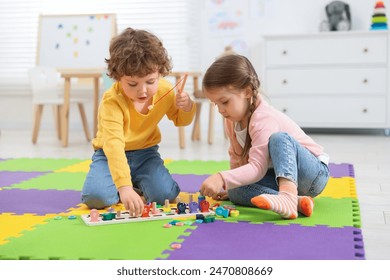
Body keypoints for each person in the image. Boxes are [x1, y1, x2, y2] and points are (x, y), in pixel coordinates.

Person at [81, 28, 196, 216]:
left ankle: (134, 182)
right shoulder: (112, 101)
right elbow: (113, 145)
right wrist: (124, 187)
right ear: (118, 77)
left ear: (160, 72)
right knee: (96, 198)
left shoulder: (165, 90)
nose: (142, 91)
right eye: (132, 84)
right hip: (109, 155)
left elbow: (180, 121)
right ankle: (128, 183)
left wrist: (187, 107)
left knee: (165, 195)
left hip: (146, 154)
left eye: (150, 81)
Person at [199, 55, 330, 219]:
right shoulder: (232, 121)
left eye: (224, 102)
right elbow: (238, 158)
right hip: (277, 177)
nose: (220, 110)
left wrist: (221, 177)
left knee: (279, 139)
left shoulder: (264, 118)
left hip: (312, 175)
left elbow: (257, 168)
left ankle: (287, 197)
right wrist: (228, 184)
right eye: (215, 104)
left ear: (247, 91)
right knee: (235, 190)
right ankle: (297, 202)